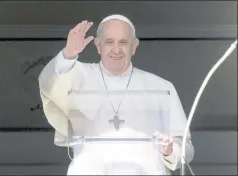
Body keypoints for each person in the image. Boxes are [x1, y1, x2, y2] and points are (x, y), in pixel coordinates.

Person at [38, 14, 194, 175]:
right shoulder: (77, 76)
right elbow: (48, 85)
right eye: (109, 42)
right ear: (98, 45)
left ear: (134, 46)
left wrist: (169, 150)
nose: (116, 49)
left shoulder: (162, 88)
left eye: (123, 42)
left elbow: (186, 148)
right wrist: (69, 53)